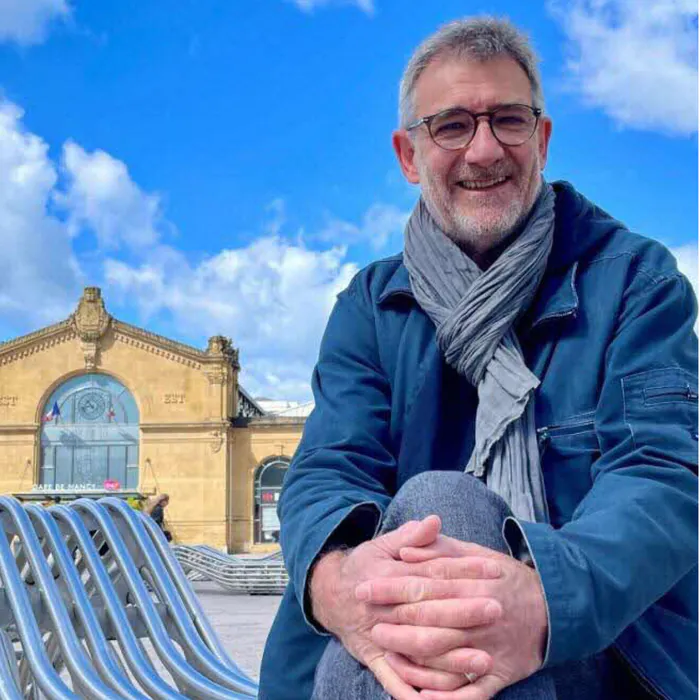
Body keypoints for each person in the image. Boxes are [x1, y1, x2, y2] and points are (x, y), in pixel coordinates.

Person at [260, 16, 698, 700]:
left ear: (542, 139)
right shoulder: (371, 306)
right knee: (438, 541)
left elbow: (661, 478)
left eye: (509, 120)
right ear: (409, 155)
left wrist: (544, 601)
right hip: (393, 645)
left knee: (445, 509)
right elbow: (328, 470)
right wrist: (338, 583)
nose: (486, 149)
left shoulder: (636, 282)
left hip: (599, 648)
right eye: (453, 126)